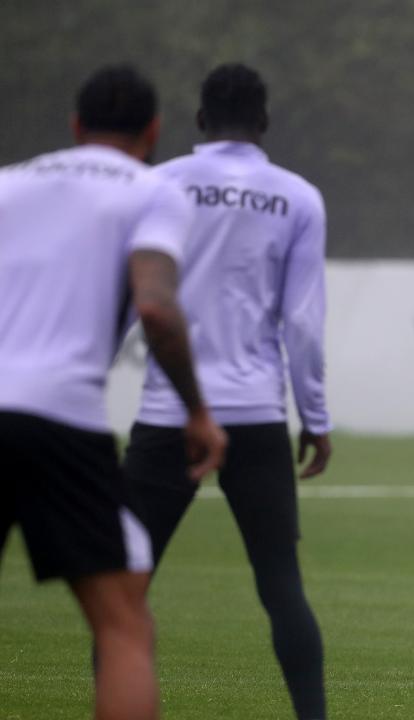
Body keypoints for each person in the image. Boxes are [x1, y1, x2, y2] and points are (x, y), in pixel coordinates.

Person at [0, 64, 227, 720]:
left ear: (75, 125)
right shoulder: (153, 192)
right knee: (123, 624)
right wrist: (198, 410)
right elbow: (155, 307)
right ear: (152, 132)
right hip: (59, 416)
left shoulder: (7, 184)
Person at [125, 63, 332, 719]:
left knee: (122, 593)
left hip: (168, 412)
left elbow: (127, 300)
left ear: (198, 120)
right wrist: (315, 416)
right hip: (255, 413)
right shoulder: (298, 197)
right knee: (281, 586)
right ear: (264, 121)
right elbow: (302, 322)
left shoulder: (157, 184)